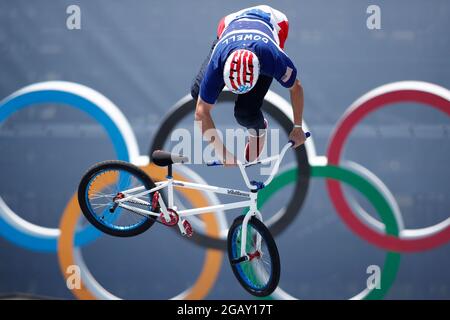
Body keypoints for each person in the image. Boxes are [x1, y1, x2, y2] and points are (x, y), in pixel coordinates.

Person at [191, 5, 306, 165]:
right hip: (230, 24)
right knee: (197, 94)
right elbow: (200, 113)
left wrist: (298, 126)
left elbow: (296, 87)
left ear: (260, 70)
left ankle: (258, 129)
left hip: (274, 22)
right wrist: (222, 153)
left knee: (246, 112)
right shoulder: (219, 60)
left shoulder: (271, 58)